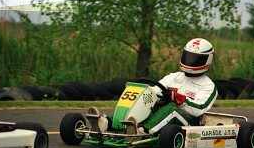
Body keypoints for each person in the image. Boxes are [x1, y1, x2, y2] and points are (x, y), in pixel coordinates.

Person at [88, 38, 218, 134]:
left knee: (171, 108)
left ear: (207, 60)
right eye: (188, 57)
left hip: (188, 122)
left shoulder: (208, 86)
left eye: (195, 59)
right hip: (163, 113)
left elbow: (200, 108)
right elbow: (155, 90)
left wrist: (177, 98)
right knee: (148, 101)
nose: (190, 62)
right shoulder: (174, 77)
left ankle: (141, 132)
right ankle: (107, 123)